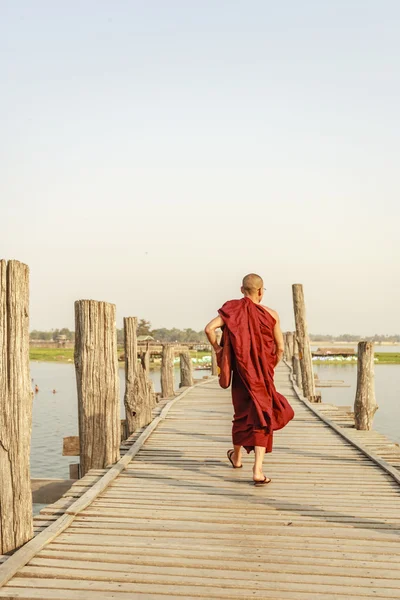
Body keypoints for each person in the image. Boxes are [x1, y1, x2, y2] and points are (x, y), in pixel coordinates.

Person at [205, 273, 294, 486]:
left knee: (241, 415)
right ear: (261, 292)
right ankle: (258, 470)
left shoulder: (232, 310)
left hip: (241, 375)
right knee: (263, 415)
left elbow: (209, 329)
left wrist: (218, 349)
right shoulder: (271, 314)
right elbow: (280, 347)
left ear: (241, 289)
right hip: (262, 376)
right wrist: (268, 366)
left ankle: (237, 458)